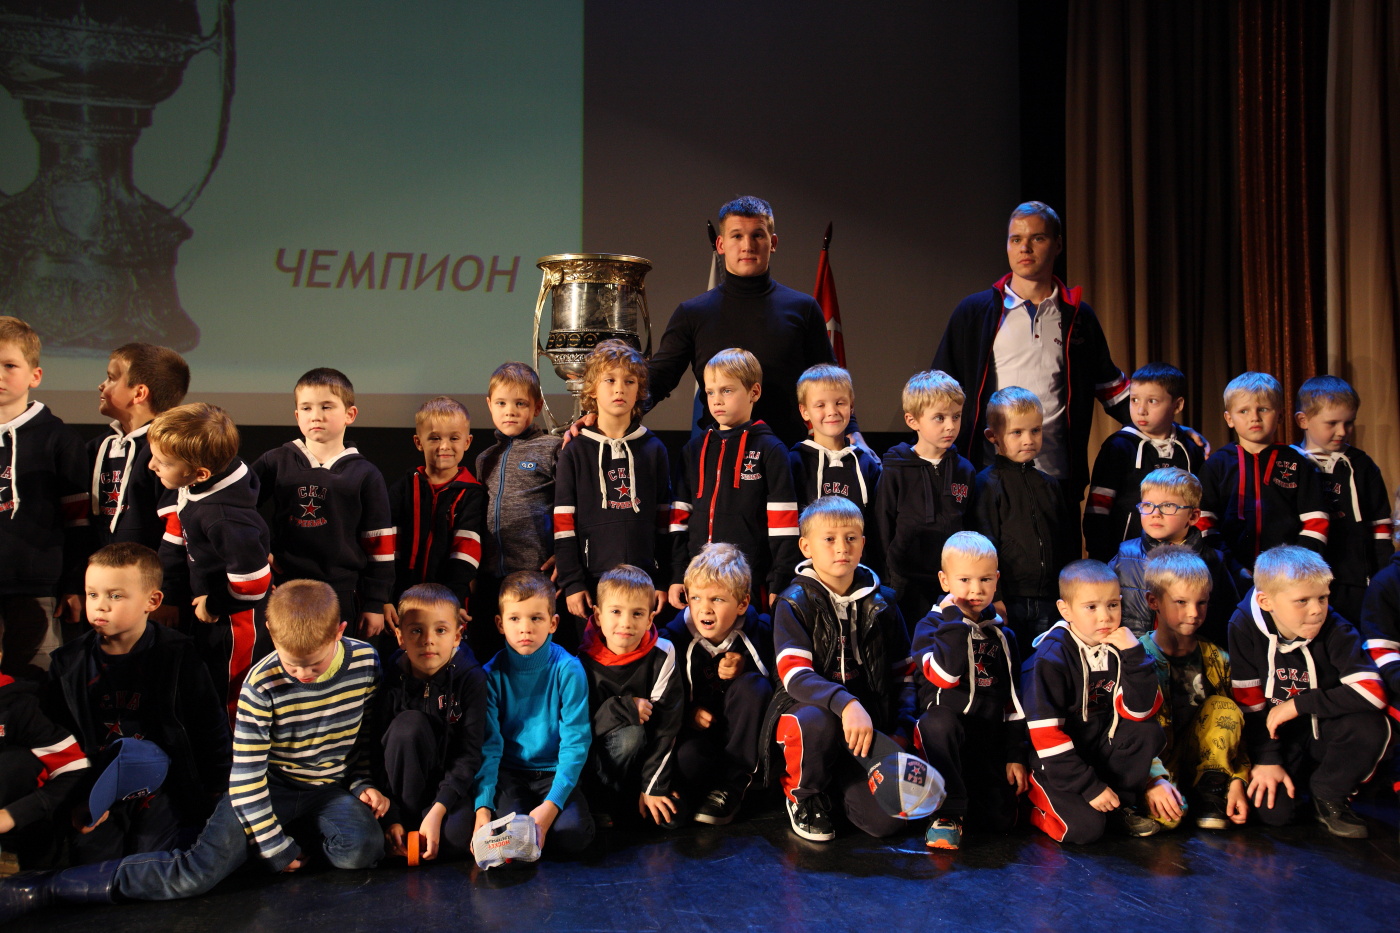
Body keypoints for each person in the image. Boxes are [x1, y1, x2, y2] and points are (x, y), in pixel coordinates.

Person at [0, 579, 388, 919]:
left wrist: (362, 783)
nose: (303, 675)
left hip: (327, 789)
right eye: (293, 665)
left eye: (314, 666)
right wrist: (274, 847)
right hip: (266, 788)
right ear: (271, 631)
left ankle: (269, 843)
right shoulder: (262, 683)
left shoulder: (366, 662)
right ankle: (49, 886)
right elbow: (246, 777)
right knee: (197, 873)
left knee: (360, 851)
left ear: (339, 632)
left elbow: (363, 738)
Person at [932, 202, 1131, 511]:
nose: (1024, 248)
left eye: (1037, 238)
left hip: (1057, 479)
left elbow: (1111, 387)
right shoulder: (975, 312)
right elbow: (938, 390)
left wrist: (1172, 431)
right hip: (987, 477)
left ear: (1058, 244)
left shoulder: (1078, 316)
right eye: (1016, 239)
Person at [46, 543, 228, 863]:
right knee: (91, 860)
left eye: (115, 596)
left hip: (165, 786)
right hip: (98, 783)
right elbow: (59, 738)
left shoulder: (178, 655)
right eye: (92, 595)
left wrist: (217, 788)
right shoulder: (68, 663)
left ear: (152, 601)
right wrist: (77, 797)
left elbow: (208, 725)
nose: (101, 606)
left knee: (148, 860)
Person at [764, 496, 915, 842]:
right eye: (829, 539)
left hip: (863, 728)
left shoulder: (885, 602)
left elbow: (904, 673)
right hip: (813, 715)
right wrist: (846, 703)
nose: (841, 547)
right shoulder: (793, 602)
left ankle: (837, 784)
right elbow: (794, 676)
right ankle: (804, 794)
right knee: (815, 720)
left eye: (850, 538)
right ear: (806, 547)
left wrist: (902, 728)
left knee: (888, 823)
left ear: (863, 544)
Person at [646, 196, 848, 447]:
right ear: (721, 244)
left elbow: (830, 381)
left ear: (773, 243)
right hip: (718, 455)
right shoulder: (692, 313)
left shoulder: (803, 308)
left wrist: (852, 430)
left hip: (788, 453)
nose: (748, 245)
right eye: (737, 236)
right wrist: (611, 416)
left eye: (758, 235)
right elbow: (658, 379)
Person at [1228, 545, 1388, 837]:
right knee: (1274, 814)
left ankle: (1329, 793)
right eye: (1302, 600)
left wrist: (1298, 705)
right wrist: (1267, 758)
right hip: (1278, 739)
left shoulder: (1336, 628)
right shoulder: (1242, 625)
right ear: (1266, 601)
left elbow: (1372, 692)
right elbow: (1249, 702)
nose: (1316, 609)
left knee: (1371, 725)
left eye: (1322, 598)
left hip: (1324, 730)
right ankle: (1299, 785)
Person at [1023, 560, 1165, 844]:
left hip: (1097, 754)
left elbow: (1140, 712)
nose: (1105, 617)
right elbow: (1047, 738)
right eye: (1091, 607)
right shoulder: (1050, 660)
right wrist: (1089, 787)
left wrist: (1135, 656)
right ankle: (1033, 805)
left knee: (1147, 730)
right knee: (1085, 830)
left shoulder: (1122, 646)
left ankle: (1119, 806)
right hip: (1056, 764)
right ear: (1065, 610)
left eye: (1113, 605)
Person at [148, 403, 271, 727]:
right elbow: (177, 534)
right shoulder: (198, 486)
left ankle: (233, 754)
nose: (152, 466)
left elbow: (254, 584)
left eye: (163, 462)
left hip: (235, 620)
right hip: (210, 610)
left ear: (200, 473)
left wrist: (214, 603)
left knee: (232, 693)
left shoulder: (223, 518)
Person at [252, 368, 394, 638]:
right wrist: (262, 550)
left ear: (350, 414)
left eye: (326, 406)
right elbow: (240, 508)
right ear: (297, 415)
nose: (315, 415)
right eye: (307, 408)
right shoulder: (276, 461)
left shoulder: (365, 473)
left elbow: (380, 543)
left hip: (342, 590)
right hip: (286, 586)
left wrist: (376, 601)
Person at [911, 532, 1027, 850]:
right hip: (943, 737)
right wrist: (954, 621)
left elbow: (1014, 700)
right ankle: (945, 813)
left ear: (997, 580)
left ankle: (964, 802)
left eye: (985, 579)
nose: (976, 590)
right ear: (944, 581)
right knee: (938, 722)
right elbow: (945, 676)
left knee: (1000, 821)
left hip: (985, 738)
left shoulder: (1002, 635)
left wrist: (1014, 755)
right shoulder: (930, 627)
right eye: (964, 580)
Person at [667, 348, 800, 610]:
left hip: (749, 581)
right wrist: (677, 574)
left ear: (754, 392)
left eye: (727, 390)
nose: (717, 400)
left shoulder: (770, 449)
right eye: (710, 392)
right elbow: (679, 518)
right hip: (698, 581)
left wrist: (780, 580)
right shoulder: (693, 450)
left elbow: (784, 524)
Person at [472, 571, 594, 856]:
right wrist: (483, 807)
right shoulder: (491, 675)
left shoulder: (568, 670)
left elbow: (576, 742)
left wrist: (551, 805)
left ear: (553, 623)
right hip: (510, 775)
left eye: (536, 618)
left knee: (573, 837)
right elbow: (489, 746)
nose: (525, 628)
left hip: (554, 772)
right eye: (515, 618)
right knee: (508, 838)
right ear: (500, 624)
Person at [554, 341, 671, 629]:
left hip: (644, 580)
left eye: (629, 381)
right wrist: (572, 582)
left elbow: (665, 520)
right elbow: (563, 523)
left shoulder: (654, 449)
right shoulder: (574, 451)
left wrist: (663, 579)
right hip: (592, 582)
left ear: (639, 390)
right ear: (592, 389)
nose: (620, 389)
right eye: (610, 380)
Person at [1135, 546, 1250, 832]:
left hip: (1207, 762)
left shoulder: (1217, 658)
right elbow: (1131, 732)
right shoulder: (1135, 659)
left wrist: (1238, 778)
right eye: (1181, 602)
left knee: (1224, 706)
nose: (1193, 613)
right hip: (1159, 766)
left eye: (1201, 603)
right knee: (1168, 820)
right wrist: (1151, 780)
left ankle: (1211, 792)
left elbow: (1237, 725)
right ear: (1153, 601)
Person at [0, 316, 89, 679]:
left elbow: (78, 521)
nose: (0, 374)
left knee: (33, 684)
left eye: (9, 365)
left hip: (36, 589)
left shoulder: (59, 439)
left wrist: (73, 584)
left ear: (34, 376)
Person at [661, 543, 773, 826]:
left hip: (741, 743)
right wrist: (687, 715)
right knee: (688, 759)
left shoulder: (760, 631)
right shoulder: (672, 640)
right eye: (696, 597)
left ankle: (732, 787)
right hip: (697, 738)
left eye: (717, 599)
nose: (705, 609)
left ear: (742, 604)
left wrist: (746, 666)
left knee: (754, 686)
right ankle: (687, 795)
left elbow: (779, 684)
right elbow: (661, 699)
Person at [375, 583, 485, 862]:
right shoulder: (391, 676)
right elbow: (377, 750)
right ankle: (403, 828)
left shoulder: (471, 678)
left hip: (446, 788)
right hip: (400, 794)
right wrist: (392, 817)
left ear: (457, 635)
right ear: (400, 637)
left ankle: (423, 827)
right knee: (408, 726)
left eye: (440, 630)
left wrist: (439, 809)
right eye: (416, 631)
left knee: (458, 840)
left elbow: (469, 754)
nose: (428, 640)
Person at [577, 565, 683, 829]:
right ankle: (602, 803)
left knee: (675, 814)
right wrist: (621, 708)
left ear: (649, 619)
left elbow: (667, 726)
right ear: (598, 616)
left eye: (637, 613)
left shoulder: (663, 653)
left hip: (645, 758)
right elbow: (581, 731)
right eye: (616, 612)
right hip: (598, 764)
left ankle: (642, 795)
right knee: (629, 735)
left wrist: (654, 786)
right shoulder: (580, 662)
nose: (626, 623)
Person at [872, 370, 977, 627]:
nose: (950, 425)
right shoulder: (895, 469)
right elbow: (881, 526)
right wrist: (887, 580)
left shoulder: (965, 470)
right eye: (939, 417)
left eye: (956, 416)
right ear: (913, 420)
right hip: (905, 583)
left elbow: (972, 526)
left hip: (953, 583)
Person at [1198, 372, 1330, 572]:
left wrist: (1295, 566)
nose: (1254, 417)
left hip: (1288, 573)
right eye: (1243, 411)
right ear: (1229, 418)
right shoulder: (1216, 465)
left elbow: (1316, 521)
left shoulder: (1299, 463)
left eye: (1263, 409)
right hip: (1229, 573)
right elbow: (1204, 522)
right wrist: (1231, 566)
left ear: (1280, 415)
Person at [473, 361, 561, 659]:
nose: (509, 411)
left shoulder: (552, 448)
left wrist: (565, 552)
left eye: (520, 403)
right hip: (491, 577)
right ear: (489, 405)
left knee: (534, 654)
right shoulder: (485, 458)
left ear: (537, 407)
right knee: (490, 653)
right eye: (501, 403)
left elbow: (569, 504)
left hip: (536, 574)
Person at [972, 387, 1072, 647]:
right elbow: (985, 545)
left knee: (1047, 660)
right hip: (1010, 600)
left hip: (1051, 599)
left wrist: (1070, 591)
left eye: (1035, 430)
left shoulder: (1050, 485)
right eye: (1017, 432)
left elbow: (1066, 541)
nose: (1028, 440)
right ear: (992, 436)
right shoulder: (986, 484)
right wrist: (996, 597)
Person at [1290, 375, 1392, 624]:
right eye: (1332, 423)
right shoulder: (1288, 464)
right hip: (1305, 581)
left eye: (1349, 423)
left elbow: (1380, 527)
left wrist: (1381, 576)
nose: (1342, 432)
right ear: (1303, 420)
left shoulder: (1363, 465)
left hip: (1355, 579)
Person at [1083, 362, 1208, 561]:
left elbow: (1201, 506)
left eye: (1152, 401)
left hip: (1181, 560)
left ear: (1177, 405)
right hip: (1127, 558)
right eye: (1134, 400)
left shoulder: (1191, 448)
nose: (1141, 410)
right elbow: (1098, 507)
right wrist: (1099, 555)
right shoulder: (1118, 447)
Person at [384, 397, 486, 625]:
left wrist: (455, 599)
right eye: (435, 438)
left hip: (449, 602)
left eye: (454, 438)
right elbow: (388, 547)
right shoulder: (403, 488)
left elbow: (466, 550)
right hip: (401, 599)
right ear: (418, 442)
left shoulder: (473, 494)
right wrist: (385, 596)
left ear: (467, 442)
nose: (444, 446)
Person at [1111, 467, 1241, 641]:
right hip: (1136, 652)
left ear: (1193, 516)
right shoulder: (1125, 554)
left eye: (1168, 506)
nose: (1155, 514)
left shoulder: (1213, 560)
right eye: (1148, 505)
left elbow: (1228, 618)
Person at [89, 343, 190, 553]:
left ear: (139, 393)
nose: (101, 385)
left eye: (111, 378)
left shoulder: (167, 453)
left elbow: (176, 525)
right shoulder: (96, 448)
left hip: (148, 568)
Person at [0, 644, 89, 871]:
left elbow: (76, 769)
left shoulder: (19, 707)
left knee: (15, 762)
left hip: (29, 826)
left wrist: (13, 815)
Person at [788, 363, 881, 525]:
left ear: (851, 406)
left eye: (840, 403)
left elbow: (877, 521)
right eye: (820, 405)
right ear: (804, 411)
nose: (832, 412)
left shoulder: (866, 464)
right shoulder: (794, 462)